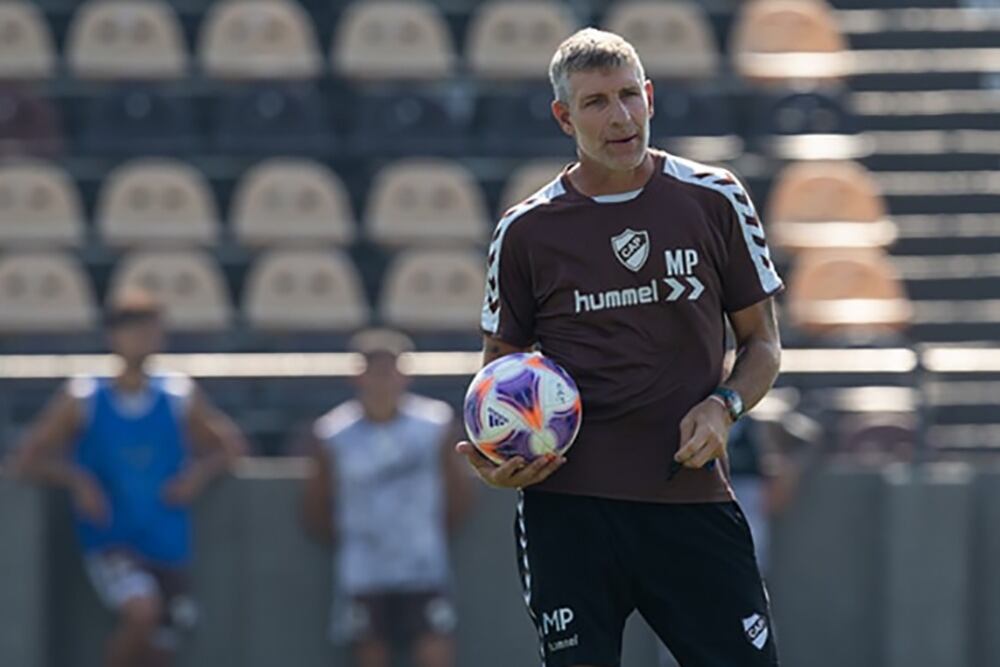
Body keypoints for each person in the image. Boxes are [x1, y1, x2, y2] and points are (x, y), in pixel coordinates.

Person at [456, 28, 784, 667]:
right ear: (564, 117)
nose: (621, 117)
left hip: (689, 500)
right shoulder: (525, 231)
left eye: (630, 96)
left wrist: (723, 406)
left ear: (650, 98)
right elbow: (500, 374)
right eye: (597, 102)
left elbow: (763, 345)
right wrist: (500, 458)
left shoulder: (715, 198)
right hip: (568, 511)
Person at [10, 289, 247, 667]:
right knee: (141, 612)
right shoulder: (85, 396)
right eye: (132, 329)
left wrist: (197, 476)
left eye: (150, 329)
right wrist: (77, 480)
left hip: (167, 539)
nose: (142, 338)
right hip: (112, 539)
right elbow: (28, 458)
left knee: (163, 645)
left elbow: (228, 447)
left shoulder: (178, 394)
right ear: (112, 335)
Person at [302, 328, 473, 667]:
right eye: (375, 371)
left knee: (435, 650)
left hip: (423, 566)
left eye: (390, 370)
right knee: (370, 653)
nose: (383, 380)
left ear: (404, 375)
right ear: (358, 376)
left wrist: (430, 535)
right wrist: (354, 539)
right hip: (364, 570)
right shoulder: (333, 433)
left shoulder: (434, 425)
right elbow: (316, 506)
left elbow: (459, 493)